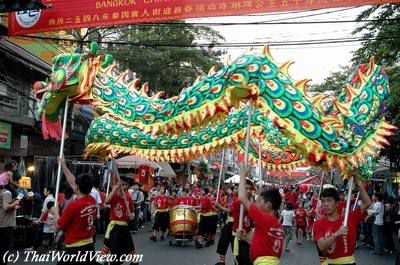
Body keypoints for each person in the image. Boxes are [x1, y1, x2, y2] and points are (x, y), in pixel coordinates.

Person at [313, 172, 372, 265]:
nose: (325, 204)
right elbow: (321, 246)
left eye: (329, 200)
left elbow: (367, 203)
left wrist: (358, 182)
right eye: (323, 201)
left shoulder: (350, 218)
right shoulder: (319, 223)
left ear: (337, 204)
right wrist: (337, 234)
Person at [52, 158, 97, 265]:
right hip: (89, 246)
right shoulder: (92, 200)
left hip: (75, 249)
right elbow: (73, 183)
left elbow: (58, 226)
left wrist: (55, 212)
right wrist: (64, 165)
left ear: (77, 187)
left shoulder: (74, 205)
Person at [238, 167, 283, 265]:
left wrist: (242, 176)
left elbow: (242, 197)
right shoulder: (276, 224)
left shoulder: (264, 219)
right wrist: (246, 238)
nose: (256, 204)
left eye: (259, 202)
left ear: (268, 205)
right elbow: (264, 247)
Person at [102, 177, 138, 265]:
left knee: (129, 249)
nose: (124, 187)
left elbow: (132, 213)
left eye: (126, 185)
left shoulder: (128, 197)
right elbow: (106, 201)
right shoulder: (114, 195)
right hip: (114, 227)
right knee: (114, 249)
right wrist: (115, 188)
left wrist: (131, 216)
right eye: (122, 184)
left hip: (125, 227)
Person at [214, 186, 237, 265]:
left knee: (236, 248)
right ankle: (222, 262)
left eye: (237, 189)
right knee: (223, 243)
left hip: (235, 225)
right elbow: (226, 189)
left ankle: (236, 262)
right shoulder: (232, 197)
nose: (234, 190)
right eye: (234, 188)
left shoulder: (238, 200)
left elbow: (230, 210)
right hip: (228, 223)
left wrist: (219, 207)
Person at [0, 185, 19, 265]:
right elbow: (6, 207)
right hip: (5, 225)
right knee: (4, 249)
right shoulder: (7, 193)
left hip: (2, 224)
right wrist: (15, 202)